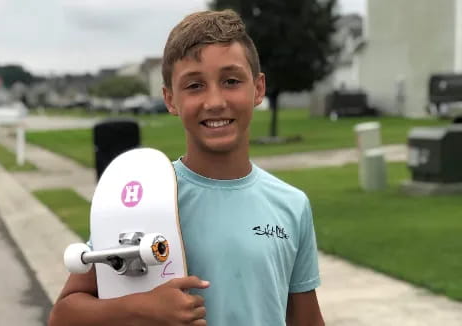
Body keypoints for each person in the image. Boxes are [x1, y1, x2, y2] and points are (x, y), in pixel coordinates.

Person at [48, 9, 324, 326]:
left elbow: (308, 320)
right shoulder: (145, 197)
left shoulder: (291, 204)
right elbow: (63, 316)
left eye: (231, 81)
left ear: (258, 88)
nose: (215, 101)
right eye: (194, 86)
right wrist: (142, 307)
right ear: (170, 99)